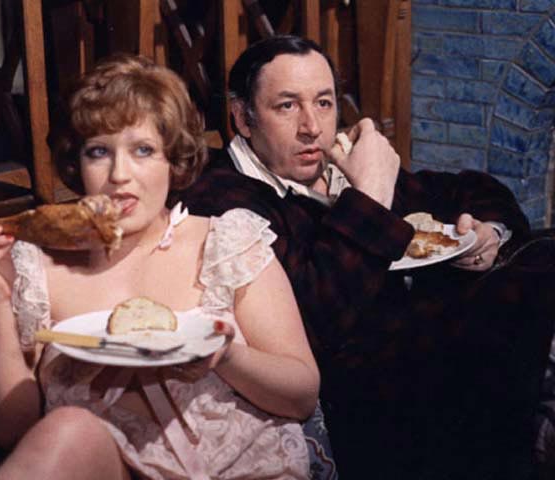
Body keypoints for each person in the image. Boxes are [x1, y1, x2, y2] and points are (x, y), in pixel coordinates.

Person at [176, 35, 555, 479]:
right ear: (243, 118)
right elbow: (315, 320)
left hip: (425, 341)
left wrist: (490, 233)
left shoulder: (333, 168)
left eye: (323, 103)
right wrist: (371, 194)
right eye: (287, 106)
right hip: (367, 391)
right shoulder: (224, 197)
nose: (311, 127)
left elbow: (467, 189)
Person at [0, 53, 320, 480]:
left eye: (143, 150)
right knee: (69, 427)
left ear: (174, 159)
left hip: (238, 470)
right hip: (105, 467)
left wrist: (226, 357)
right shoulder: (37, 266)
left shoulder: (227, 243)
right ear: (77, 164)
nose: (119, 175)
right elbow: (13, 430)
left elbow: (301, 396)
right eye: (99, 151)